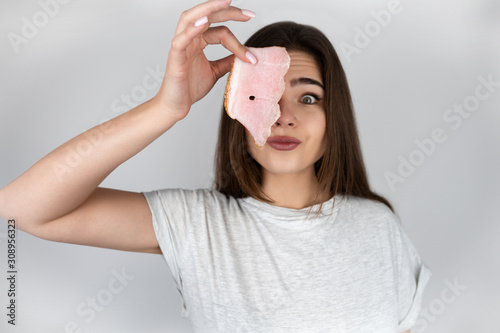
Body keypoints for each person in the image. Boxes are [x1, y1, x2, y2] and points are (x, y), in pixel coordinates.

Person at [0, 0, 431, 332]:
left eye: (308, 97)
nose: (284, 116)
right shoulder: (198, 224)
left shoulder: (379, 228)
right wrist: (165, 108)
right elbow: (22, 208)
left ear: (333, 115)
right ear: (236, 114)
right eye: (263, 96)